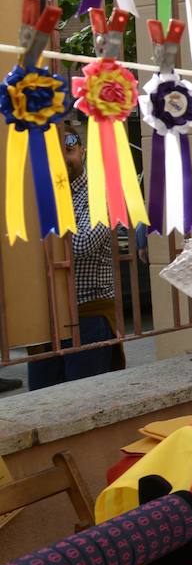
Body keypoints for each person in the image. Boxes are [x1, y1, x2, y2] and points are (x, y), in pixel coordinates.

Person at [25, 120, 125, 390]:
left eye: (68, 149)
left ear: (82, 151)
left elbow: (81, 245)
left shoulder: (101, 193)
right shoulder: (37, 196)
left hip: (89, 318)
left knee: (87, 401)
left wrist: (51, 214)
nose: (63, 159)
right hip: (46, 323)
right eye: (54, 153)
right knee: (43, 405)